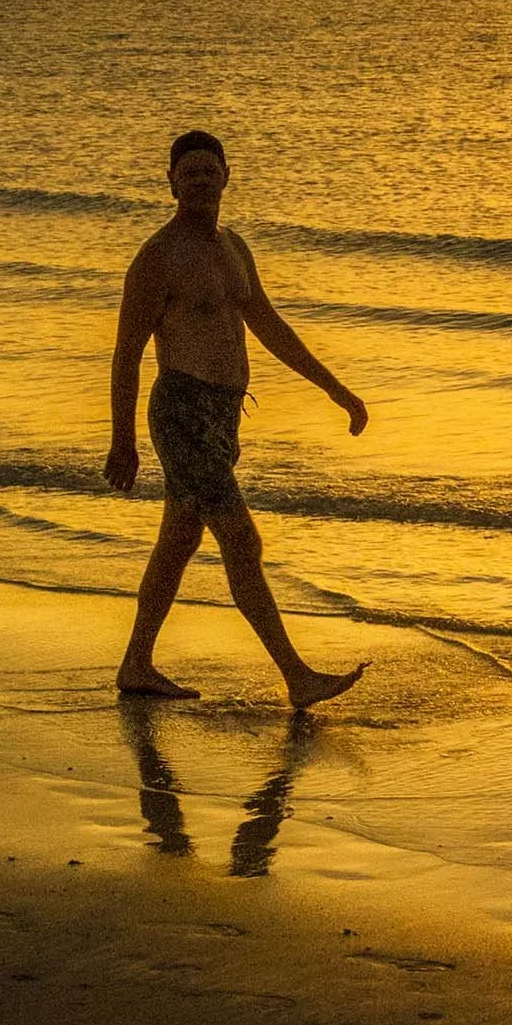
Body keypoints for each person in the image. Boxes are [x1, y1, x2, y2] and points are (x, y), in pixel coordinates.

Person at [104, 129, 369, 709]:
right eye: (188, 172)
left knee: (177, 541)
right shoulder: (158, 258)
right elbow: (126, 355)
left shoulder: (234, 247)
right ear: (170, 182)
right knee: (242, 542)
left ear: (227, 175)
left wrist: (335, 390)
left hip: (223, 420)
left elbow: (269, 325)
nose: (200, 180)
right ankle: (297, 676)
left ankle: (136, 663)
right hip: (181, 413)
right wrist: (122, 441)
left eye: (209, 170)